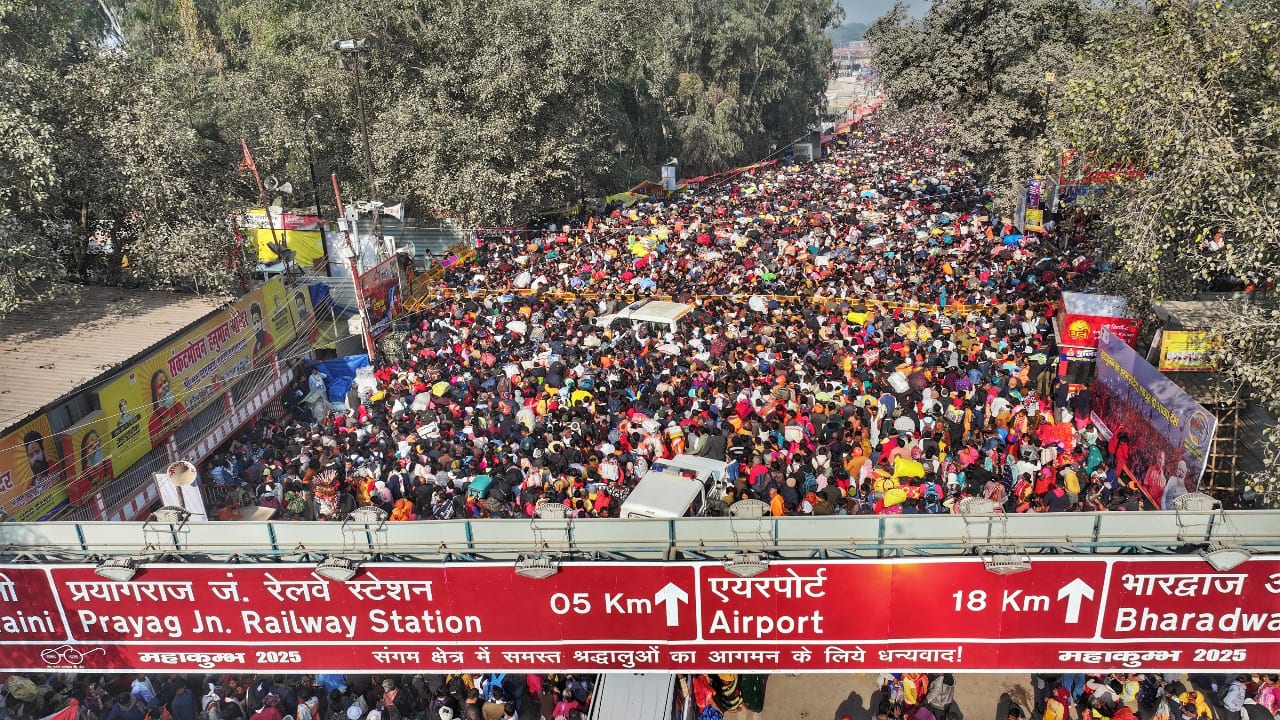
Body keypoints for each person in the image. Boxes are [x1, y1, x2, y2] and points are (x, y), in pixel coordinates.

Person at [147, 369, 188, 446]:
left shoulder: (178, 405)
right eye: (160, 386)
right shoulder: (153, 421)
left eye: (165, 382)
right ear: (155, 393)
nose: (165, 386)